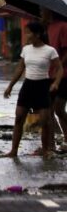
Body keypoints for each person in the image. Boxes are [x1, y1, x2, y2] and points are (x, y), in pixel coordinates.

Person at [0, 21, 62, 159]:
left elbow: (60, 68)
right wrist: (10, 86)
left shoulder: (50, 50)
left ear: (37, 34)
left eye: (28, 32)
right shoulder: (26, 49)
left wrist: (56, 82)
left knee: (45, 121)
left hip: (42, 86)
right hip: (28, 86)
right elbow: (20, 68)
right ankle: (13, 151)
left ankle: (46, 150)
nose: (26, 35)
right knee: (19, 118)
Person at [41, 8, 67, 152]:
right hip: (49, 74)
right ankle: (50, 145)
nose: (40, 12)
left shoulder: (63, 26)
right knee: (48, 110)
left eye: (42, 10)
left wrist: (59, 65)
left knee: (58, 108)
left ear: (49, 11)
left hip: (64, 75)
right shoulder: (48, 28)